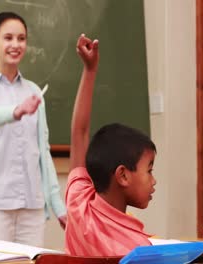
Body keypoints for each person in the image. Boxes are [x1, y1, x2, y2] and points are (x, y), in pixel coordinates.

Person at [0, 12, 66, 247]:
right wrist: (16, 111)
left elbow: (43, 152)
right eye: (8, 38)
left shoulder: (33, 91)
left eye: (21, 38)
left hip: (32, 209)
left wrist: (58, 206)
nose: (15, 45)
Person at [64, 34, 157, 257]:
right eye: (149, 170)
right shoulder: (138, 248)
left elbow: (79, 132)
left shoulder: (78, 205)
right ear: (123, 175)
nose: (154, 180)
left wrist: (89, 70)